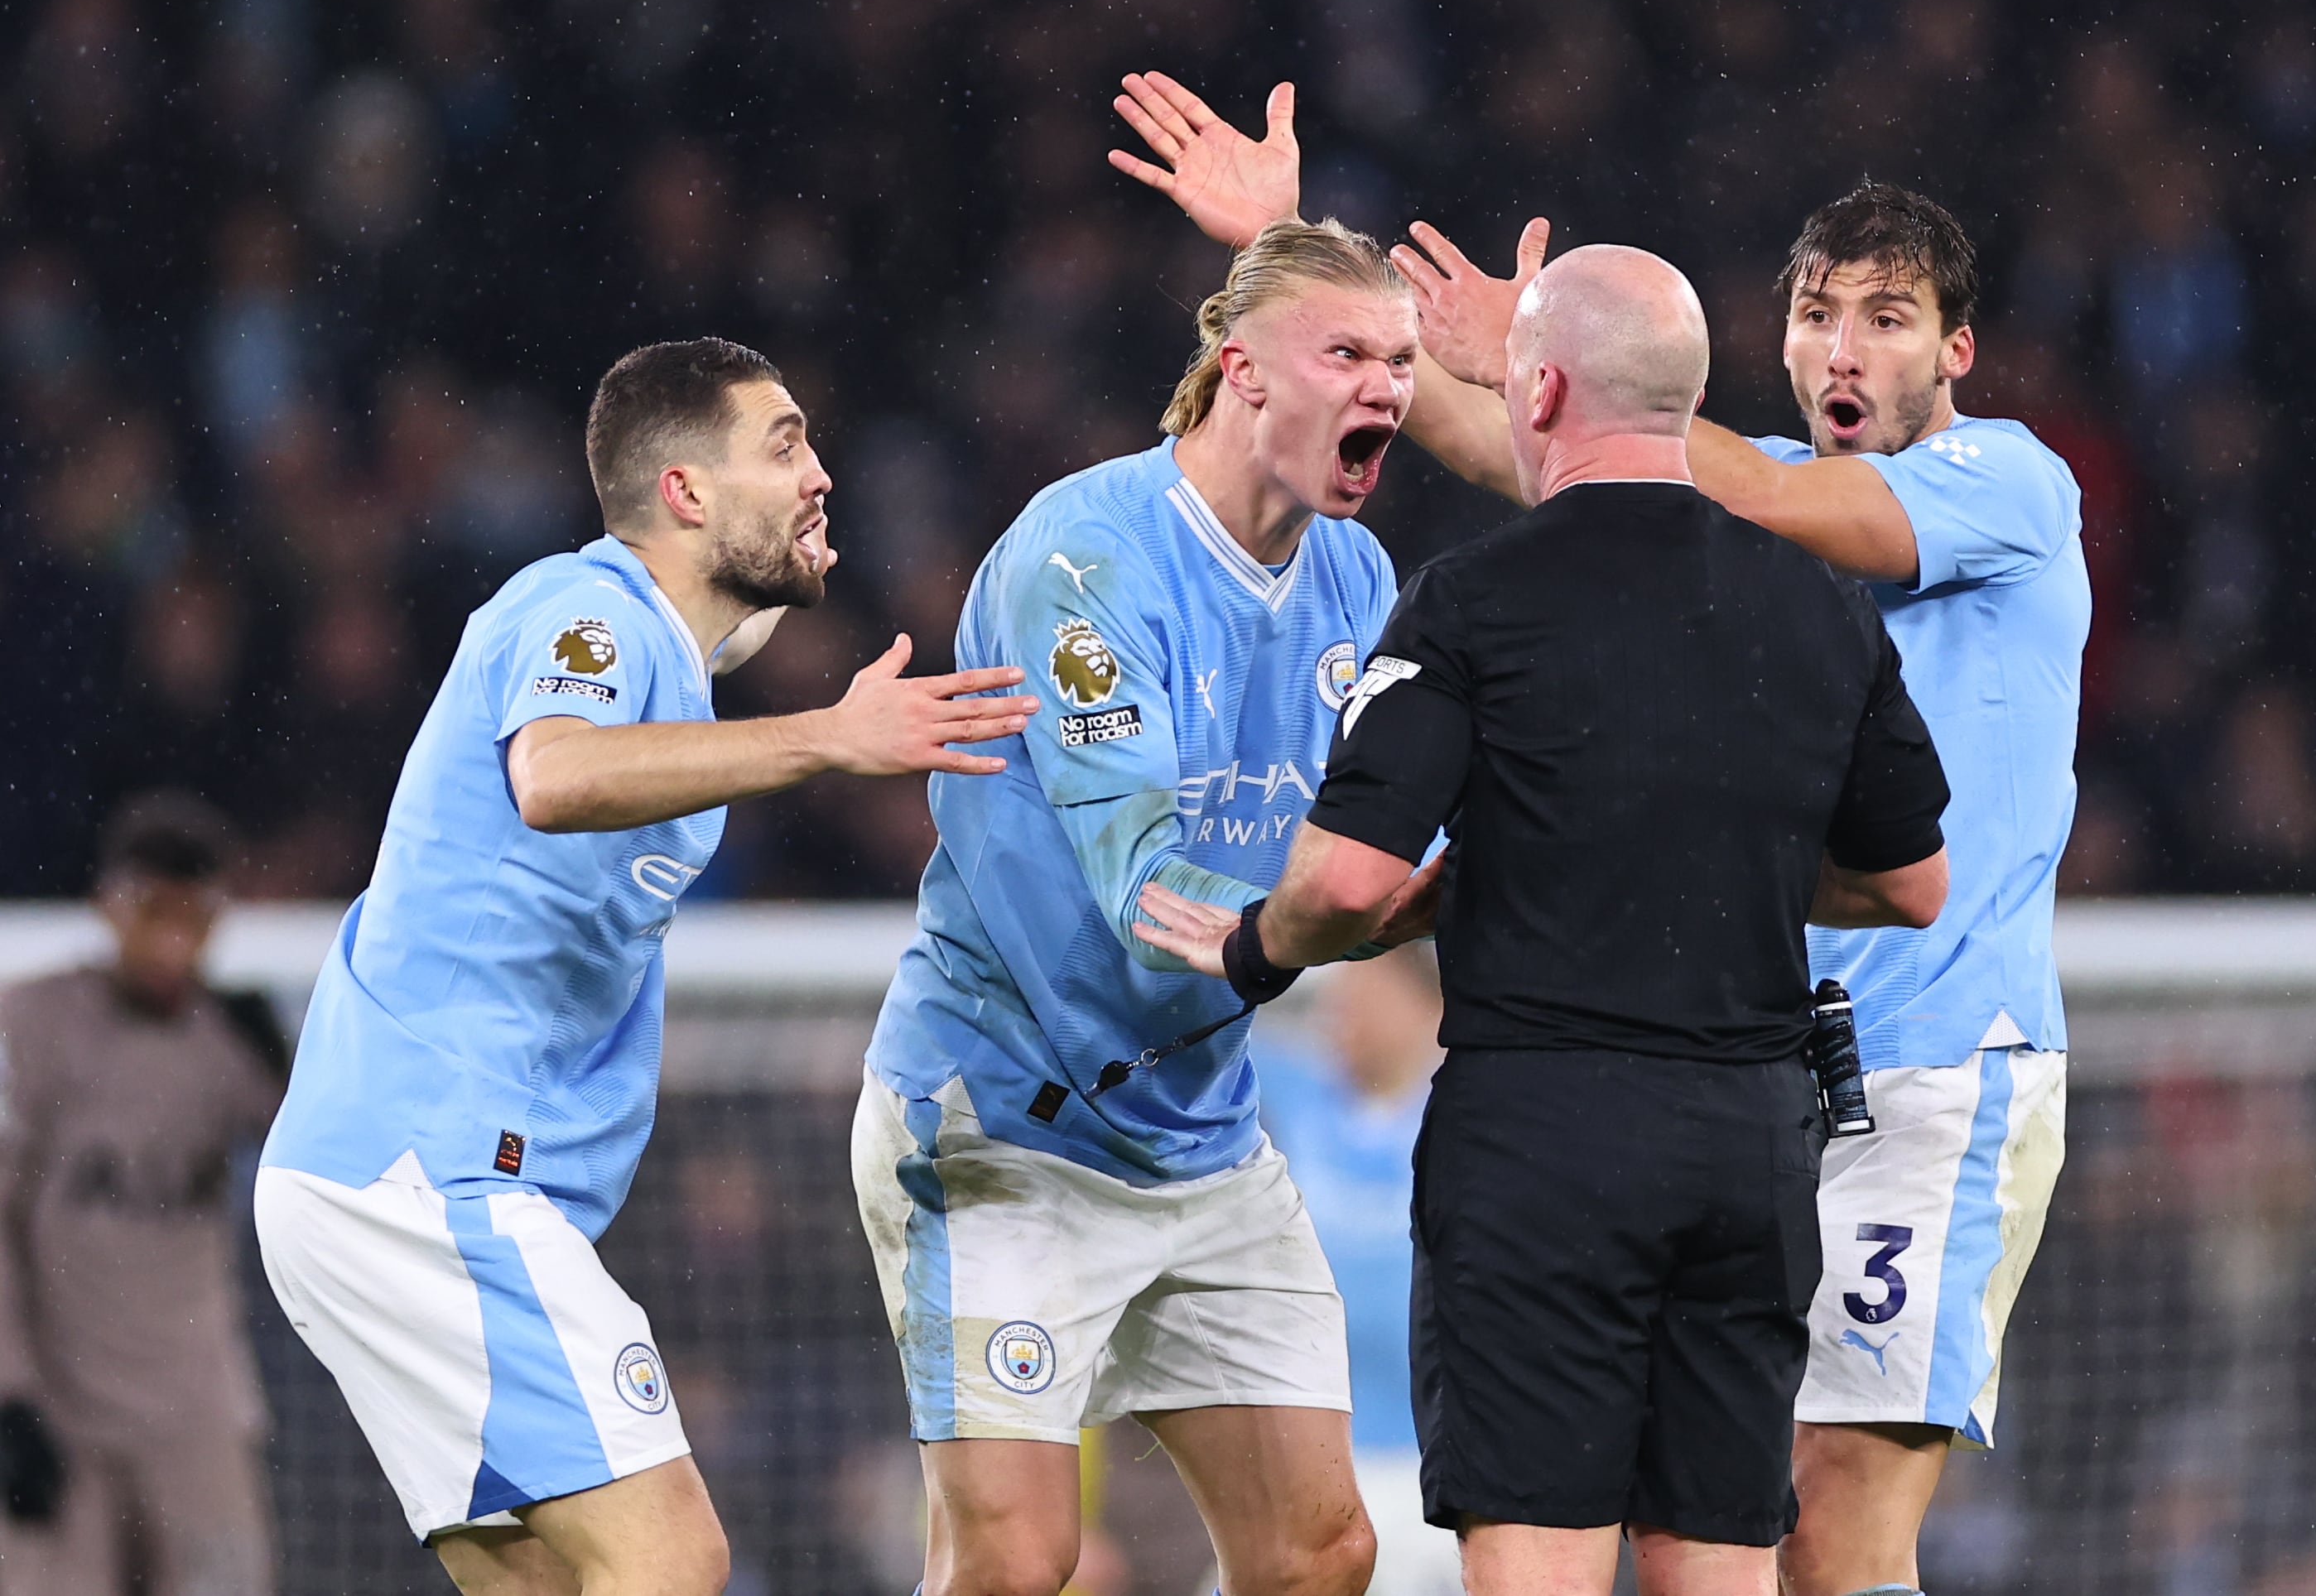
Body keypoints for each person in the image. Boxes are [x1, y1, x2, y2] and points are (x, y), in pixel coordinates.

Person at [1115, 78, 2087, 1596]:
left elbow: (1680, 469)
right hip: (1773, 1070)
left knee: (1835, 1528)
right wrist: (1313, 262)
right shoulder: (1742, 513)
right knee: (1734, 1528)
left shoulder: (2010, 485)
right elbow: (1571, 473)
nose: (1847, 346)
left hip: (1937, 1063)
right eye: (1820, 312)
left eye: (1890, 318)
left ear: (1958, 351)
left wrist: (1564, 369)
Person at [253, 337, 1039, 1596]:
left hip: (376, 1178)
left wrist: (786, 616)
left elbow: (694, 671)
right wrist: (833, 739)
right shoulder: (590, 610)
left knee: (547, 1582)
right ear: (681, 490)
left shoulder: (664, 654)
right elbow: (556, 774)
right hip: (435, 1172)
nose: (819, 474)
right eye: (783, 446)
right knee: (672, 1557)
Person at [853, 216, 1438, 1596]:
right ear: (1241, 371)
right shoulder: (1089, 561)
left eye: (1402, 360)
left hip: (1202, 1136)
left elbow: (1386, 837)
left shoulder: (1356, 580)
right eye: (1345, 350)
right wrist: (1397, 905)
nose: (1388, 387)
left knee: (1318, 1550)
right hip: (1002, 1118)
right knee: (1019, 1558)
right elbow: (1155, 892)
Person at [0, 792, 284, 1596]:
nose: (171, 942)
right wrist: (9, 1395)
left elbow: (336, 1177)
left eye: (194, 917)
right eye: (154, 912)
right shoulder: (31, 1025)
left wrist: (295, 1078)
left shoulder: (230, 1040)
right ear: (108, 907)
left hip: (196, 1414)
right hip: (60, 1416)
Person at [1254, 951, 1463, 1596]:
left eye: (1364, 988)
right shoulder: (1297, 1091)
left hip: (1443, 1463)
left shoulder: (1477, 1110)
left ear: (1426, 1000)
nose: (1340, 1010)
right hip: (1320, 1462)